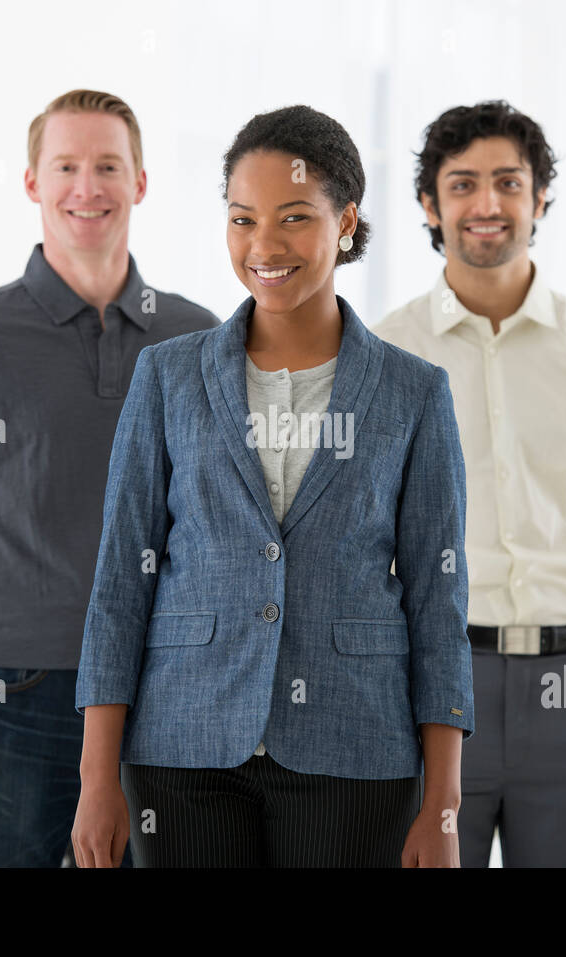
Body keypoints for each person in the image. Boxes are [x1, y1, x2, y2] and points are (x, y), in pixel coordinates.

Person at [71, 105, 474, 868]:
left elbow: (437, 600)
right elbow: (122, 579)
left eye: (294, 217)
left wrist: (444, 804)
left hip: (353, 748)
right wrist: (97, 778)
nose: (264, 245)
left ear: (346, 220)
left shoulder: (415, 392)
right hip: (183, 749)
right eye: (242, 218)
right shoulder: (167, 376)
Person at [0, 90, 218, 867]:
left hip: (168, 688)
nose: (88, 187)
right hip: (12, 700)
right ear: (33, 182)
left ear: (140, 182)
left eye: (108, 166)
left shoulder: (199, 337)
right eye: (66, 166)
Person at [374, 101, 566, 867]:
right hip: (431, 687)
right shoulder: (383, 353)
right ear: (430, 204)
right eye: (463, 184)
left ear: (539, 198)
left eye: (509, 183)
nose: (487, 204)